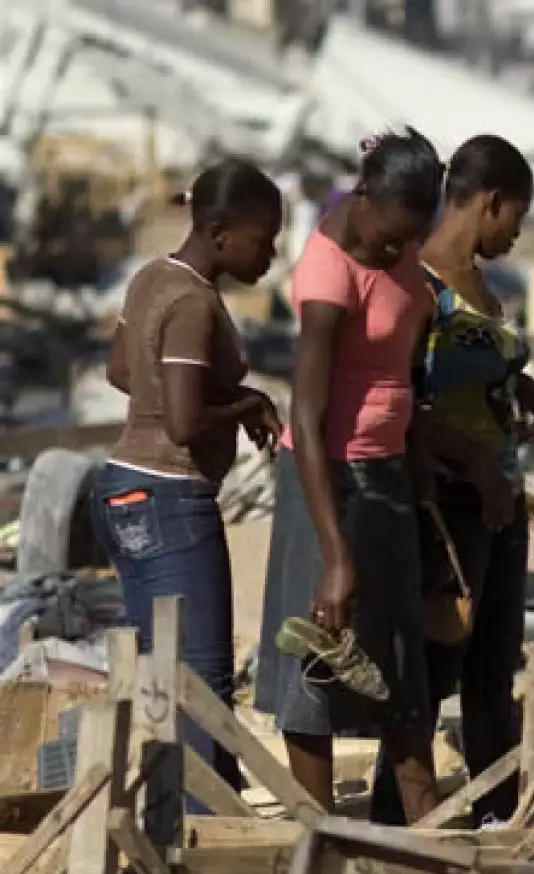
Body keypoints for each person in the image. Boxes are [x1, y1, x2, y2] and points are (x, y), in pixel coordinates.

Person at [255, 128, 444, 821]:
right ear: (361, 197)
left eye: (411, 239)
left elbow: (409, 361)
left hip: (387, 475)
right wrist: (334, 554)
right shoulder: (327, 272)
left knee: (394, 658)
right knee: (318, 661)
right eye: (391, 237)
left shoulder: (405, 247)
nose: (399, 251)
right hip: (326, 480)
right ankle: (320, 838)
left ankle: (422, 838)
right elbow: (305, 419)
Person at [370, 134, 534, 827]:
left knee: (493, 674)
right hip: (449, 506)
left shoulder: (482, 286)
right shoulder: (420, 285)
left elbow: (475, 371)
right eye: (516, 217)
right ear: (490, 202)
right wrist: (472, 465)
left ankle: (496, 816)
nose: (517, 233)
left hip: (502, 500)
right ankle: (395, 820)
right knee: (435, 671)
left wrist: (520, 384)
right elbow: (398, 399)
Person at [96, 160, 284, 799]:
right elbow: (181, 423)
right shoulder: (194, 303)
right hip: (171, 497)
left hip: (123, 487)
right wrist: (246, 403)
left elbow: (123, 370)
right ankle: (199, 844)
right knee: (201, 685)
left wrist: (197, 389)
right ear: (222, 232)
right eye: (265, 238)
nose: (272, 252)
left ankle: (174, 831)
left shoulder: (151, 277)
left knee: (163, 677)